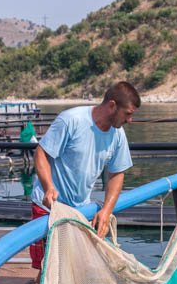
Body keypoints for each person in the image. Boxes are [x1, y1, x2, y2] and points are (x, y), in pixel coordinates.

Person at [29, 81, 140, 273]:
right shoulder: (71, 120)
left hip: (81, 211)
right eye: (127, 114)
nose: (130, 121)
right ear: (112, 105)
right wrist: (48, 187)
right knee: (48, 270)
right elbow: (41, 154)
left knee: (79, 269)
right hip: (47, 208)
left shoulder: (118, 135)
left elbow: (117, 173)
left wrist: (106, 210)